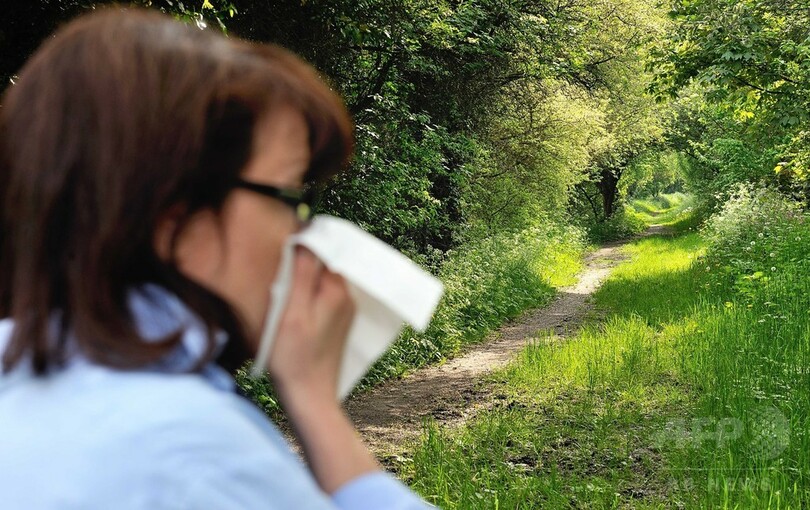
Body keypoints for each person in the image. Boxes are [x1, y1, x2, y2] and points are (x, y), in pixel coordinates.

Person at [0, 8, 432, 509]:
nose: (304, 234)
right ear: (173, 222)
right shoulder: (193, 453)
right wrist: (316, 405)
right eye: (290, 196)